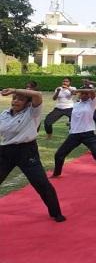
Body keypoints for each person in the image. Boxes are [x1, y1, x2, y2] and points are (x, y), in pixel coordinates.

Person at [0, 87, 65, 222]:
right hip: (6, 151)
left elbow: (37, 94)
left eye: (20, 99)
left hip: (27, 151)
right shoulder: (4, 114)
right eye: (14, 99)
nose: (16, 101)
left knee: (41, 183)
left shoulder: (32, 113)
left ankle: (56, 213)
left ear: (28, 103)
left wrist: (13, 90)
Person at [51, 88, 96, 178]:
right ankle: (56, 174)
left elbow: (92, 91)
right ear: (79, 95)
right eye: (82, 94)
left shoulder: (91, 103)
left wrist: (78, 90)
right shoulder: (75, 105)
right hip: (74, 134)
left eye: (86, 94)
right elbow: (76, 117)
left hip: (88, 134)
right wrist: (71, 123)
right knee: (59, 154)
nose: (84, 95)